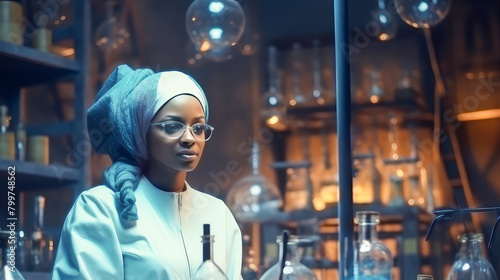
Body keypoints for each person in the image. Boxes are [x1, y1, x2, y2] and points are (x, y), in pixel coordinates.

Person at [51, 65, 243, 280]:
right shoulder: (101, 209)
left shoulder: (219, 214)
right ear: (141, 131)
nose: (190, 138)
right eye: (172, 126)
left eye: (198, 128)